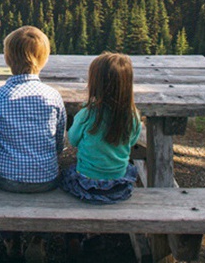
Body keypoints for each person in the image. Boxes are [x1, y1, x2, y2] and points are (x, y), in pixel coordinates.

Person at [0, 26, 67, 262]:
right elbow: (59, 142)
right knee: (55, 185)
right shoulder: (53, 96)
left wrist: (2, 157)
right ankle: (39, 238)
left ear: (7, 59)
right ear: (44, 60)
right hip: (46, 179)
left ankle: (11, 238)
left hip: (6, 180)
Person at [61, 52, 142, 259]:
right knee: (125, 168)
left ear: (95, 83)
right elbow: (132, 143)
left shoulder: (88, 113)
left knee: (66, 174)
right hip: (118, 186)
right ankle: (95, 235)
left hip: (86, 184)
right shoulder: (132, 115)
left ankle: (74, 233)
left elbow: (73, 139)